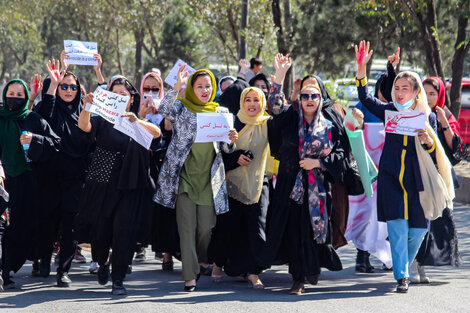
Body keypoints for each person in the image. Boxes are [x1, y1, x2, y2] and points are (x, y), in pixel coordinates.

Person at [353, 41, 454, 293]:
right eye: (396, 88)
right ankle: (402, 277)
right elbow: (365, 97)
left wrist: (428, 142)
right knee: (398, 229)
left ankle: (403, 268)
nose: (399, 92)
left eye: (405, 88)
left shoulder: (427, 116)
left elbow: (434, 152)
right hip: (391, 179)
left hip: (418, 182)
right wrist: (361, 68)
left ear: (415, 92)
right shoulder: (389, 110)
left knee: (418, 231)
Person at [260, 54, 344, 295]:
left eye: (314, 95)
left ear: (321, 98)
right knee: (295, 230)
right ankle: (298, 278)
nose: (309, 99)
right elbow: (274, 106)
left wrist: (317, 162)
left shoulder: (329, 123)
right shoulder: (289, 117)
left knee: (313, 229)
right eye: (305, 95)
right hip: (291, 186)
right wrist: (280, 74)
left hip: (317, 187)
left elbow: (341, 154)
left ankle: (312, 268)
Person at [154, 66, 238, 292]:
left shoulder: (220, 112)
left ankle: (202, 259)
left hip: (209, 181)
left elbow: (226, 149)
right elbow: (163, 109)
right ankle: (189, 277)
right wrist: (176, 87)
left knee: (206, 228)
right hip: (184, 179)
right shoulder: (182, 108)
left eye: (208, 86)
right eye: (199, 86)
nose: (204, 90)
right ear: (192, 88)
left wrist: (232, 140)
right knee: (187, 228)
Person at [77, 75, 161, 295]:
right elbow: (84, 126)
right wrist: (87, 106)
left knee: (125, 231)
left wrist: (137, 120)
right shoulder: (102, 118)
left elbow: (157, 134)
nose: (119, 97)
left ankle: (118, 279)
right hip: (103, 180)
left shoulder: (136, 119)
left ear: (131, 98)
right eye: (114, 94)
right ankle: (102, 261)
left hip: (131, 182)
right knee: (101, 230)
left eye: (123, 94)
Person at [31, 59, 92, 287]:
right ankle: (44, 260)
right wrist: (52, 85)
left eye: (72, 87)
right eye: (63, 86)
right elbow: (44, 112)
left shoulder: (84, 111)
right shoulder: (51, 107)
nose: (68, 90)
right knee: (48, 221)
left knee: (70, 226)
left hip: (75, 178)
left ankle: (63, 271)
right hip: (49, 176)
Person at [0, 79, 60, 289]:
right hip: (2, 180)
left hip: (26, 182)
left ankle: (7, 269)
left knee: (17, 227)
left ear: (26, 98)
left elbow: (55, 144)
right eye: (11, 93)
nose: (14, 98)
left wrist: (35, 139)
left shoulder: (33, 119)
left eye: (19, 95)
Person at [209, 87, 270, 288]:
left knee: (256, 229)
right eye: (248, 100)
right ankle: (218, 263)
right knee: (226, 228)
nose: (252, 104)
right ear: (242, 103)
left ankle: (253, 272)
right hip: (231, 182)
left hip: (258, 183)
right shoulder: (233, 122)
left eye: (256, 100)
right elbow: (218, 154)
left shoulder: (268, 123)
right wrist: (235, 155)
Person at [348, 53, 398, 273]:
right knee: (368, 215)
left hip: (393, 172)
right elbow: (351, 132)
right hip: (368, 173)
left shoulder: (401, 113)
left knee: (390, 216)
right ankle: (363, 256)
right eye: (384, 89)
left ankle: (390, 254)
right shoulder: (365, 106)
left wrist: (391, 67)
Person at [411, 76, 464, 283]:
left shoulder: (445, 116)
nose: (429, 98)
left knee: (439, 223)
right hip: (418, 176)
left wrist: (443, 124)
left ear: (440, 95)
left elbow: (457, 152)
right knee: (419, 222)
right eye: (425, 93)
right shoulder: (414, 114)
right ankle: (414, 263)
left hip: (441, 178)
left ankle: (424, 264)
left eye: (433, 93)